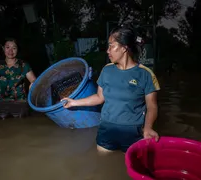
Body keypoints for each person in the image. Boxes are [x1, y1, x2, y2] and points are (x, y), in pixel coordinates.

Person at [62, 25, 160, 154]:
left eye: (111, 46)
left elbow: (152, 106)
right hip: (107, 129)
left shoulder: (145, 74)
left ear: (124, 48)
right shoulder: (107, 70)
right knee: (103, 167)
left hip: (132, 132)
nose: (108, 51)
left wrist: (148, 128)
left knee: (128, 169)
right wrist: (73, 102)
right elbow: (99, 97)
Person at [0, 38, 36, 119]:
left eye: (14, 48)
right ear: (3, 48)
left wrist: (33, 84)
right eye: (7, 47)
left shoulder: (24, 65)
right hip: (1, 103)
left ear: (17, 49)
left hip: (20, 103)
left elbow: (34, 80)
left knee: (22, 128)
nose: (10, 51)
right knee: (2, 128)